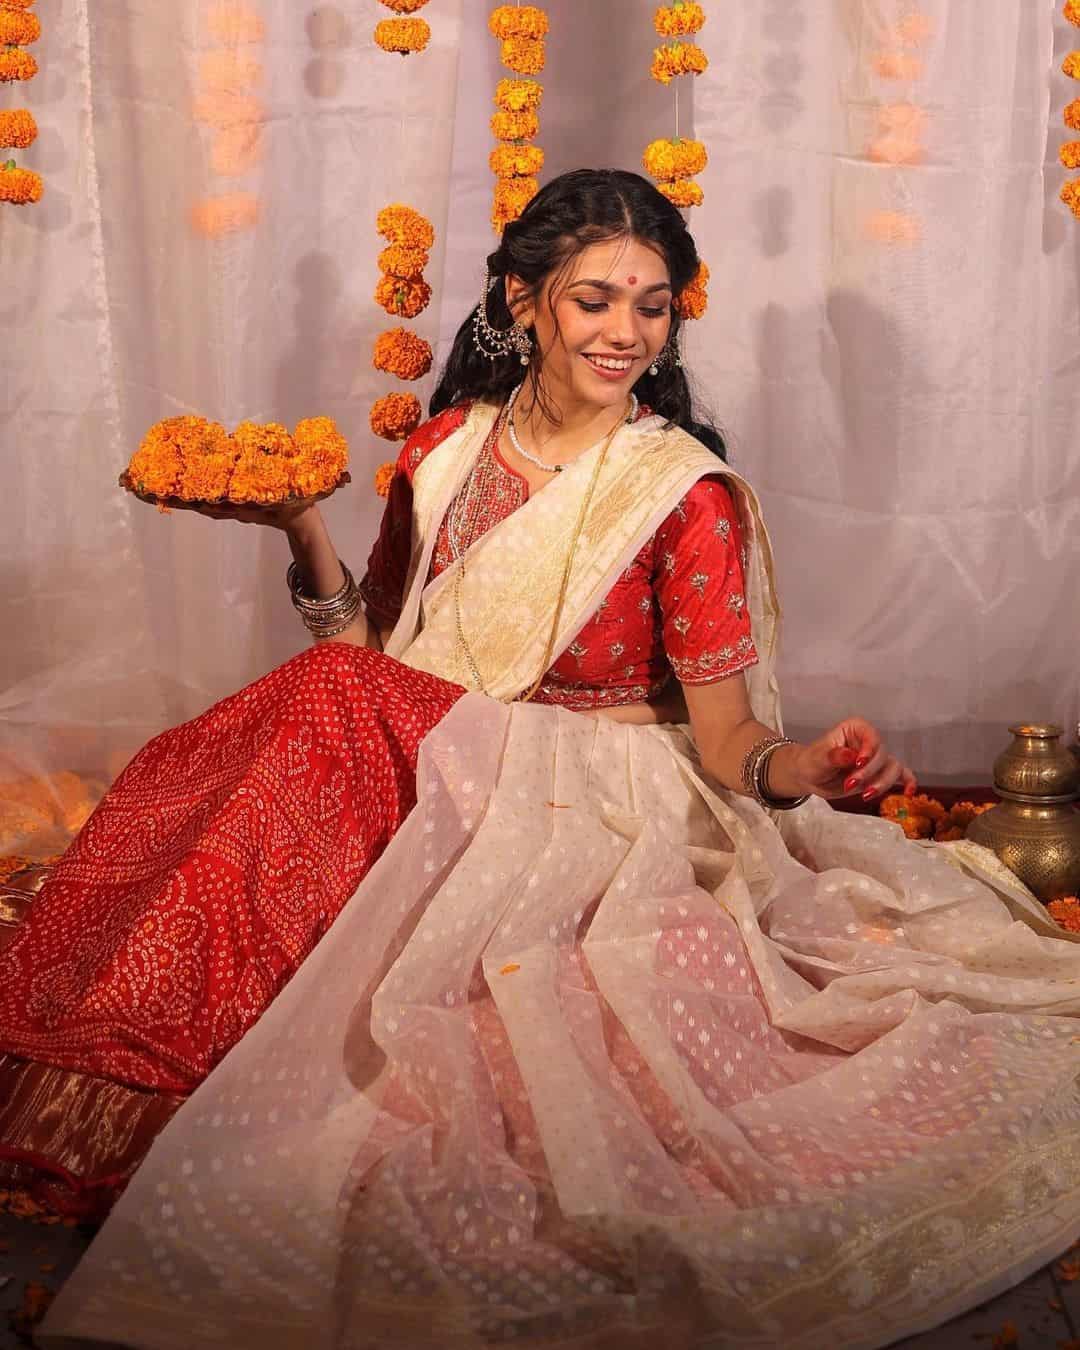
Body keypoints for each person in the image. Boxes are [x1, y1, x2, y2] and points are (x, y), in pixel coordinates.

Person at [14, 170, 1080, 1350]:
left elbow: (726, 741)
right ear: (524, 303)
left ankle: (166, 1069)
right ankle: (137, 1065)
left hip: (594, 790)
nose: (627, 332)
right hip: (424, 754)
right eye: (595, 301)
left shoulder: (681, 495)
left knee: (311, 740)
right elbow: (375, 659)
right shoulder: (439, 453)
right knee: (279, 731)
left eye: (654, 305)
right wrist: (300, 529)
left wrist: (809, 771)